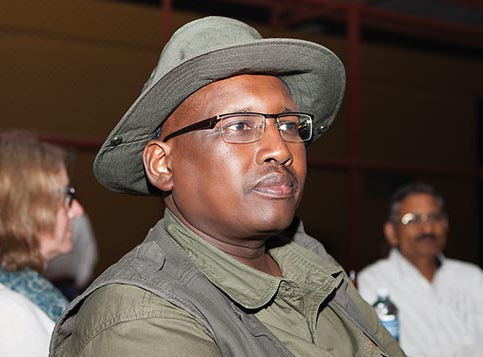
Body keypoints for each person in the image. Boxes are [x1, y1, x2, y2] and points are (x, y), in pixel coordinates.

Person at [50, 16, 404, 356]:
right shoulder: (142, 316)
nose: (280, 150)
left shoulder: (313, 264)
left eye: (289, 125)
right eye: (238, 126)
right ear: (162, 164)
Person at [0, 130, 84, 357]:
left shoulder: (11, 297)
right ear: (23, 207)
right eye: (67, 196)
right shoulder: (4, 311)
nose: (78, 210)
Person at [357, 182, 483, 357]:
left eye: (434, 218)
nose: (427, 228)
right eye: (412, 219)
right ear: (392, 232)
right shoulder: (373, 281)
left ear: (446, 225)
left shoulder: (473, 278)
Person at [45, 213, 99, 299]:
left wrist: (80, 283)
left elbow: (88, 252)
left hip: (69, 284)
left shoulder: (78, 218)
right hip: (43, 280)